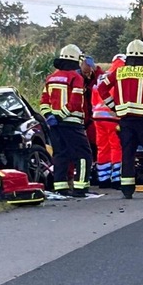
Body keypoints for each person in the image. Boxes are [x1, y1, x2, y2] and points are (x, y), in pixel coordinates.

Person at [98, 40, 143, 199]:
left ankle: (127, 189)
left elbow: (102, 88)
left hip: (125, 121)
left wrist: (114, 107)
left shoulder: (119, 71)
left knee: (127, 154)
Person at [39, 44, 92, 197]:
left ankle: (60, 187)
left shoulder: (51, 78)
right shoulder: (76, 78)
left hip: (55, 125)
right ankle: (80, 187)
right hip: (71, 123)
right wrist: (61, 115)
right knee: (83, 155)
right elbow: (75, 102)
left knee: (60, 155)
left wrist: (50, 116)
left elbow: (43, 102)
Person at [91, 54, 125, 189]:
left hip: (98, 116)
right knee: (116, 146)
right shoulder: (121, 76)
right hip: (113, 116)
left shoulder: (102, 77)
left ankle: (103, 179)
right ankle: (116, 178)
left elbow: (94, 96)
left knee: (102, 147)